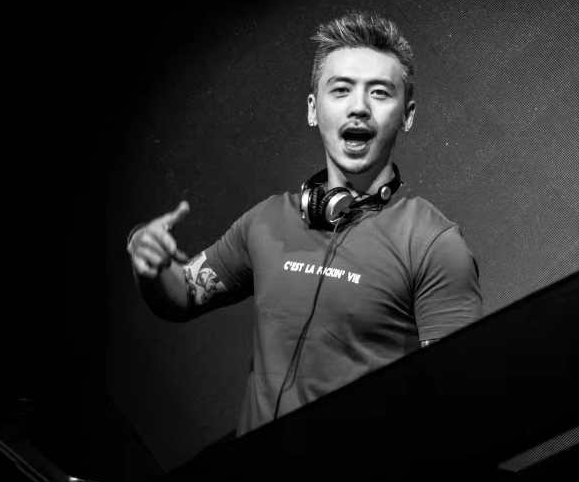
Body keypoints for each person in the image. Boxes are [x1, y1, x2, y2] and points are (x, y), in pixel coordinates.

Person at [126, 11, 483, 436]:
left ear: (407, 115)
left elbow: (458, 403)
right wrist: (148, 260)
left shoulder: (434, 243)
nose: (359, 107)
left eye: (379, 93)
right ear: (314, 109)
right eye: (341, 90)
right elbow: (183, 295)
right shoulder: (266, 220)